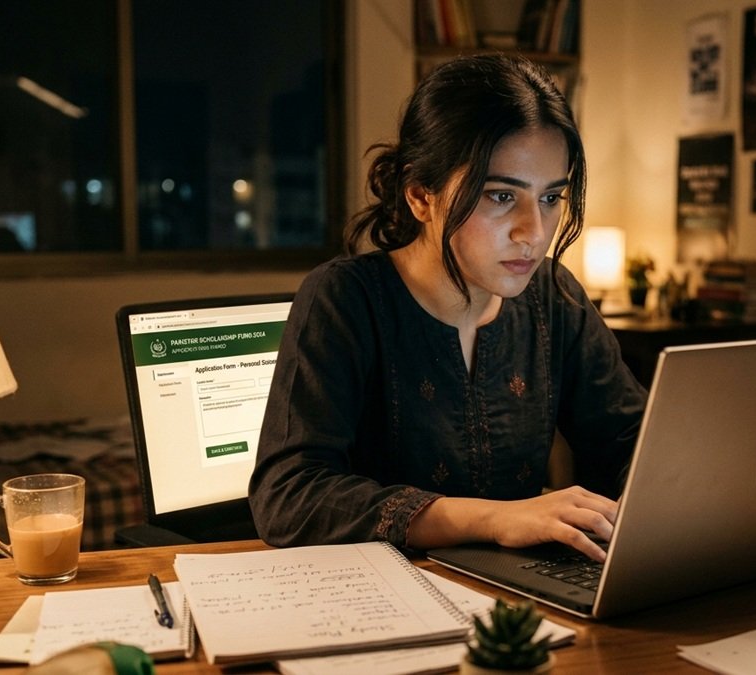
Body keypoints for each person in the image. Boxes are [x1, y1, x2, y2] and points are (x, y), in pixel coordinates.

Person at [249, 54, 646, 563]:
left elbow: (630, 441)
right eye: (501, 196)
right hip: (384, 595)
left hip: (519, 594)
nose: (534, 232)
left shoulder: (555, 296)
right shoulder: (345, 299)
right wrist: (495, 519)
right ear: (420, 195)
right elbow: (289, 495)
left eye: (550, 198)